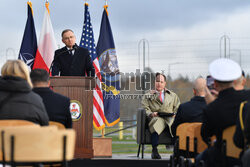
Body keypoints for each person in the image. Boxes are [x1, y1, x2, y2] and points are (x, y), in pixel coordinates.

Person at [197, 58, 250, 167]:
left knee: (199, 159)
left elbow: (205, 135)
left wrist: (211, 103)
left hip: (223, 158)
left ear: (215, 84)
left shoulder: (212, 108)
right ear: (235, 81)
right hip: (246, 154)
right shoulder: (247, 97)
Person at [141, 72, 180, 159]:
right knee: (156, 123)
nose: (159, 83)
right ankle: (154, 150)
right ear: (154, 82)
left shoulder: (173, 95)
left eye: (161, 82)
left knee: (176, 123)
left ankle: (176, 151)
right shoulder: (147, 96)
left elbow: (177, 108)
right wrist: (151, 114)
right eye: (157, 81)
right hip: (156, 118)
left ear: (165, 83)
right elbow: (145, 108)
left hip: (169, 118)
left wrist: (175, 115)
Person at [0, 60, 49, 126]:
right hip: (29, 136)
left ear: (3, 72)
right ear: (26, 74)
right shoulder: (36, 100)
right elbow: (45, 126)